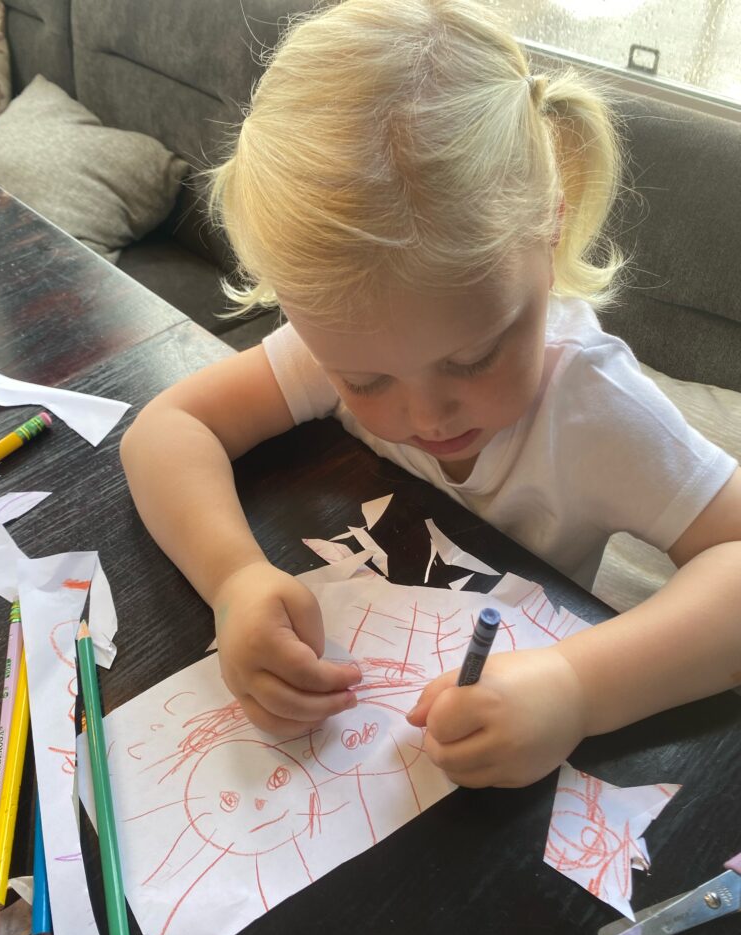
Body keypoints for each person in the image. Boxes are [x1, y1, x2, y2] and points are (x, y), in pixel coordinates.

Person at [121, 0, 741, 789]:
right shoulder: (357, 327)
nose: (424, 416)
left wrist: (578, 687)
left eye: (475, 357)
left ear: (549, 234)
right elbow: (166, 429)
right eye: (364, 381)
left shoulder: (591, 405)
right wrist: (235, 578)